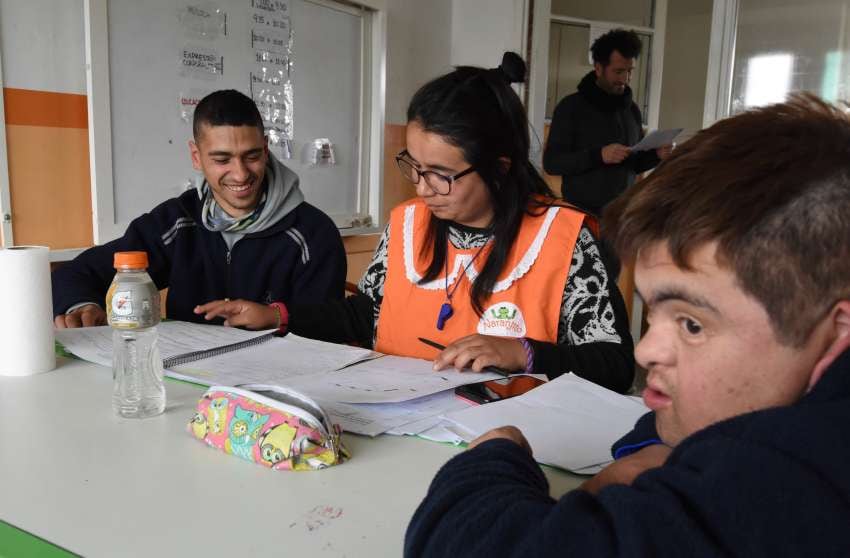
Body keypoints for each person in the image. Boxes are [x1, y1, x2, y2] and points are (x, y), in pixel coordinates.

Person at [403, 93, 850, 557]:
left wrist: (494, 460)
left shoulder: (797, 473)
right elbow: (664, 427)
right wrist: (660, 446)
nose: (646, 350)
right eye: (654, 312)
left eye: (692, 325)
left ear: (834, 332)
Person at [196, 53, 635, 392]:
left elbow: (614, 366)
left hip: (510, 444)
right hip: (401, 427)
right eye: (414, 166)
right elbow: (366, 315)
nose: (422, 189)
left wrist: (521, 352)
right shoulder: (409, 224)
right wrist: (277, 315)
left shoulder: (561, 237)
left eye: (441, 175)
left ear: (499, 168)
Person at [52, 89, 346, 328]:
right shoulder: (177, 221)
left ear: (266, 148)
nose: (241, 174)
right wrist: (83, 306)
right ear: (196, 156)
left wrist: (276, 316)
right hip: (185, 383)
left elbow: (331, 326)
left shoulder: (314, 234)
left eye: (252, 156)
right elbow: (76, 273)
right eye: (222, 159)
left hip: (274, 389)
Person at [543, 28, 672, 218]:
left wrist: (656, 155)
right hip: (580, 216)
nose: (625, 79)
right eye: (618, 71)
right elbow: (552, 163)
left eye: (629, 71)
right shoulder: (571, 107)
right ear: (598, 68)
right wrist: (599, 155)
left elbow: (633, 165)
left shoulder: (632, 110)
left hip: (622, 214)